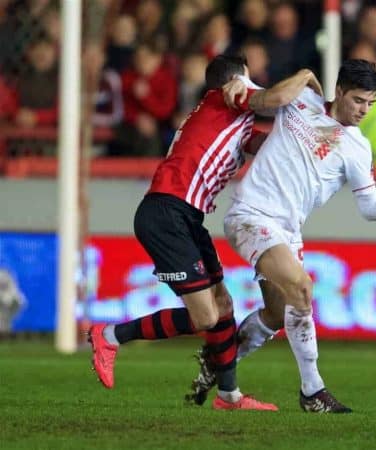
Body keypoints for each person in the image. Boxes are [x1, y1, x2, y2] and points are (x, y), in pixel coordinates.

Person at [190, 59, 376, 412]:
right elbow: (266, 98)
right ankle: (313, 392)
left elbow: (370, 206)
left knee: (276, 313)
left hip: (287, 230)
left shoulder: (358, 148)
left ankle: (218, 360)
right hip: (250, 215)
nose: (364, 110)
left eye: (370, 103)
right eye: (358, 100)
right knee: (302, 288)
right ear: (339, 91)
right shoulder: (300, 100)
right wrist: (298, 76)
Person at [88, 54, 323, 412]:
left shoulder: (224, 120)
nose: (252, 85)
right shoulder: (229, 97)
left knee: (223, 306)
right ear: (235, 81)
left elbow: (269, 145)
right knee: (206, 318)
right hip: (166, 214)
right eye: (248, 79)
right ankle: (108, 336)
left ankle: (229, 397)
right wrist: (305, 73)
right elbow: (276, 99)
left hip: (187, 217)